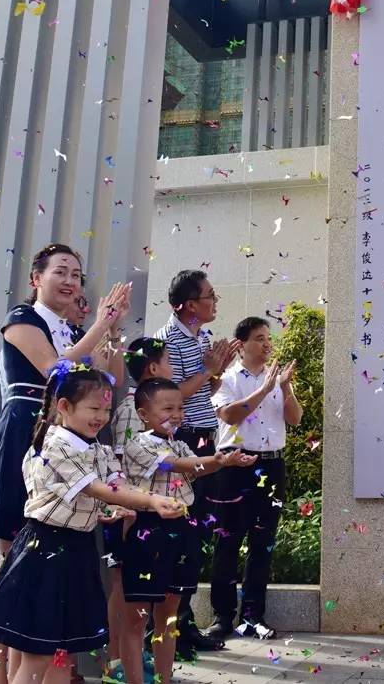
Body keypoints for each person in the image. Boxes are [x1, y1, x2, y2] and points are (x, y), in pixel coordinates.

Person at [0, 244, 131, 684]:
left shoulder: (75, 329)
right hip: (25, 431)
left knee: (49, 564)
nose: (70, 281)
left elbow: (107, 382)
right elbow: (56, 371)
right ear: (35, 279)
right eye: (60, 271)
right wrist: (99, 326)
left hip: (65, 438)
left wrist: (111, 333)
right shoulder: (22, 319)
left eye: (77, 275)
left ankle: (37, 671)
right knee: (13, 563)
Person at [0, 363, 185, 684]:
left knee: (62, 654)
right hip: (45, 551)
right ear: (64, 406)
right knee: (38, 654)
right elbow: (96, 487)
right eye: (94, 408)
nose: (101, 417)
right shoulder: (54, 445)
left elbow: (115, 483)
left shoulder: (95, 447)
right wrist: (151, 501)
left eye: (107, 409)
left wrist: (121, 505)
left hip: (79, 550)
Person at [120, 378, 257, 684]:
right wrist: (218, 459)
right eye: (167, 408)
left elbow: (195, 464)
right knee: (137, 618)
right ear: (143, 414)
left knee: (169, 617)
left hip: (183, 530)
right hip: (150, 531)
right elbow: (175, 465)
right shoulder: (138, 445)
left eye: (180, 407)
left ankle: (164, 679)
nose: (176, 414)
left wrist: (224, 462)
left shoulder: (179, 442)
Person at [154, 270, 239, 654]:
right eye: (210, 295)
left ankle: (183, 625)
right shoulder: (168, 339)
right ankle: (167, 630)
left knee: (196, 535)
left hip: (206, 438)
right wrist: (208, 370)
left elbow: (209, 389)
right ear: (189, 304)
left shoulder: (202, 336)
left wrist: (217, 371)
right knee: (178, 534)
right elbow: (171, 397)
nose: (215, 300)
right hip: (182, 441)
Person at [204, 317, 303, 640]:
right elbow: (229, 415)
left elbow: (296, 419)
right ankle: (222, 616)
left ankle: (253, 616)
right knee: (228, 541)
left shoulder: (276, 380)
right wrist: (265, 388)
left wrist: (284, 387)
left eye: (267, 338)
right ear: (242, 344)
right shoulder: (228, 379)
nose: (266, 344)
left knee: (263, 544)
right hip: (236, 466)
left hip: (272, 466)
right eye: (259, 338)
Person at [103, 338, 175, 681]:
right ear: (153, 369)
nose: (173, 369)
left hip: (148, 514)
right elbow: (122, 466)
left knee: (140, 593)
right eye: (169, 362)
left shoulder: (158, 411)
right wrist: (128, 509)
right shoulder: (133, 410)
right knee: (123, 586)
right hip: (130, 513)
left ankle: (133, 656)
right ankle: (116, 660)